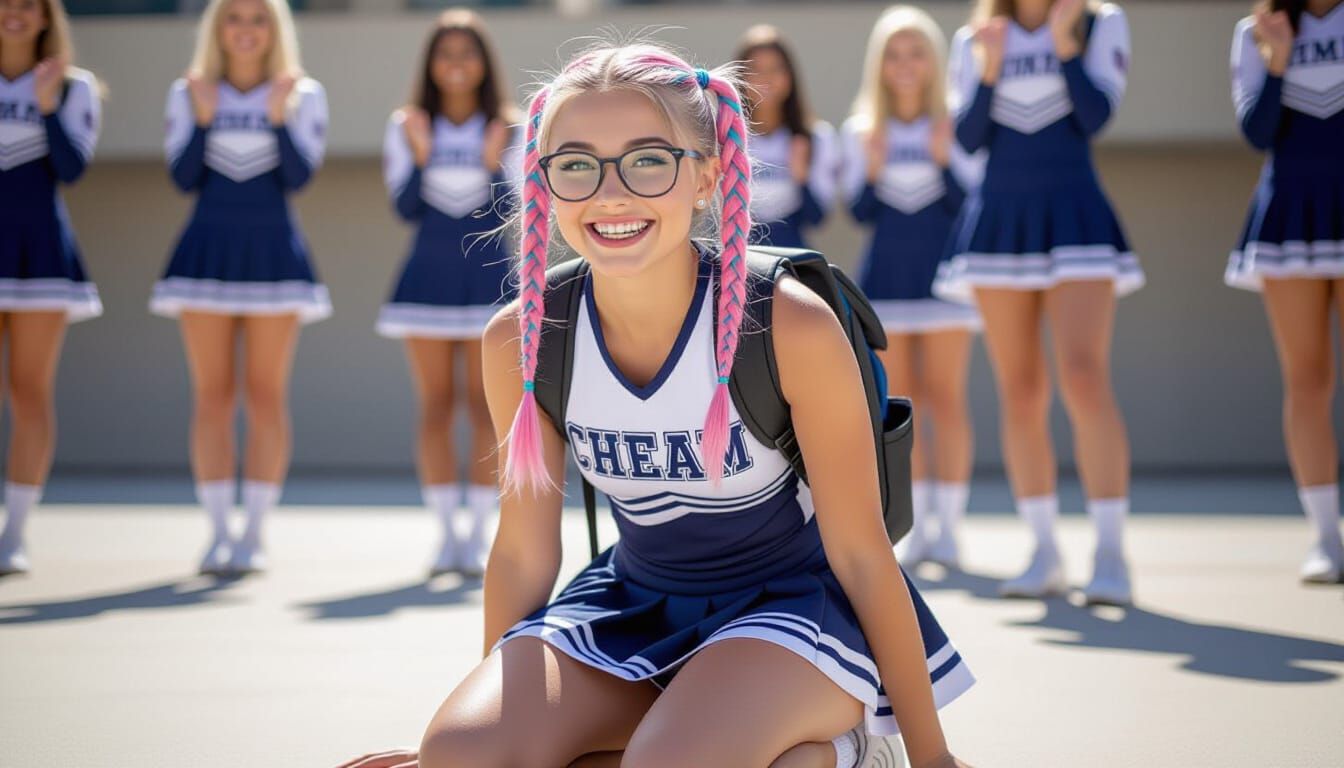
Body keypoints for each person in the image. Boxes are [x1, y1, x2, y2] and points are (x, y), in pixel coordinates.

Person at [342, 41, 973, 768]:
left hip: (790, 611)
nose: (610, 193)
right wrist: (509, 741)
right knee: (460, 754)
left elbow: (863, 554)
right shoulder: (522, 337)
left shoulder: (787, 325)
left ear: (705, 176)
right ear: (543, 184)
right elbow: (521, 549)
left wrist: (933, 756)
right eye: (575, 165)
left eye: (647, 160)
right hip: (634, 605)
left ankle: (851, 753)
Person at [936, 0, 1138, 605]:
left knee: (1083, 376)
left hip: (1075, 213)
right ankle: (1044, 550)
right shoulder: (977, 35)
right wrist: (991, 66)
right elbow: (969, 138)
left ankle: (1109, 554)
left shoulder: (1100, 20)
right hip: (1000, 220)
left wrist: (1067, 46)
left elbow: (1096, 116)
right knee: (1020, 389)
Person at [152, 0, 328, 576]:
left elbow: (300, 178)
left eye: (259, 19)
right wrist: (203, 119)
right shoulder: (190, 91)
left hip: (275, 254)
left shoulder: (302, 92)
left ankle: (254, 532)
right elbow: (183, 179)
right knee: (212, 396)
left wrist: (278, 117)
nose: (246, 30)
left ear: (275, 30)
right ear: (217, 29)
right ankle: (217, 530)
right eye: (234, 18)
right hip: (206, 254)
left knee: (266, 395)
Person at [377, 8, 520, 577]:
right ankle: (445, 533)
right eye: (446, 54)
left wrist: (491, 163)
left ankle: (481, 533)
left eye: (467, 53)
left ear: (484, 63)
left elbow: (513, 211)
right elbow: (405, 208)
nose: (457, 65)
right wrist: (419, 154)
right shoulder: (408, 123)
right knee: (436, 406)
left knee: (487, 407)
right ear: (430, 64)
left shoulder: (511, 125)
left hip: (488, 280)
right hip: (427, 279)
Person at [842, 5, 983, 570]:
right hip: (888, 280)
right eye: (895, 54)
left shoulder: (957, 123)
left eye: (916, 52)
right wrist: (874, 167)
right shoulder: (862, 128)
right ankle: (916, 523)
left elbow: (966, 204)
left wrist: (945, 159)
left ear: (935, 60)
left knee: (946, 398)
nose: (905, 64)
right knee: (900, 403)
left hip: (945, 281)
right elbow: (858, 210)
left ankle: (951, 526)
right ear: (881, 63)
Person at [1224, 0, 1344, 584]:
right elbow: (1257, 131)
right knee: (1308, 378)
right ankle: (1326, 536)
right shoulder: (1257, 31)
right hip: (1291, 213)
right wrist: (1279, 61)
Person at [0, 0, 102, 575]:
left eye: (27, 5)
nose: (14, 14)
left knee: (30, 391)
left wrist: (45, 107)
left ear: (46, 17)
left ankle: (15, 532)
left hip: (40, 253)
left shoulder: (72, 86)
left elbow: (72, 168)